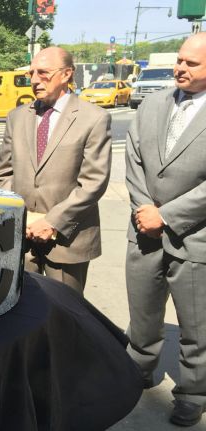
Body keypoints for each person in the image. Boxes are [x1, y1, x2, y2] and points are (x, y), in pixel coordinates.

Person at [125, 33, 206, 427]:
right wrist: (145, 209)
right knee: (142, 315)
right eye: (180, 60)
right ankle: (137, 369)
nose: (180, 68)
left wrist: (168, 216)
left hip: (193, 237)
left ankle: (192, 393)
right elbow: (134, 158)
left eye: (192, 64)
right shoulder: (153, 103)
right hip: (143, 230)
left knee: (196, 326)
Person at [0, 46, 111, 294]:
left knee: (64, 319)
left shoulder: (93, 118)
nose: (35, 80)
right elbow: (2, 175)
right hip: (21, 239)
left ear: (67, 74)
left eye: (43, 73)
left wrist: (53, 222)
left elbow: (93, 183)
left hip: (68, 242)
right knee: (21, 316)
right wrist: (18, 218)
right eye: (31, 73)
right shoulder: (17, 117)